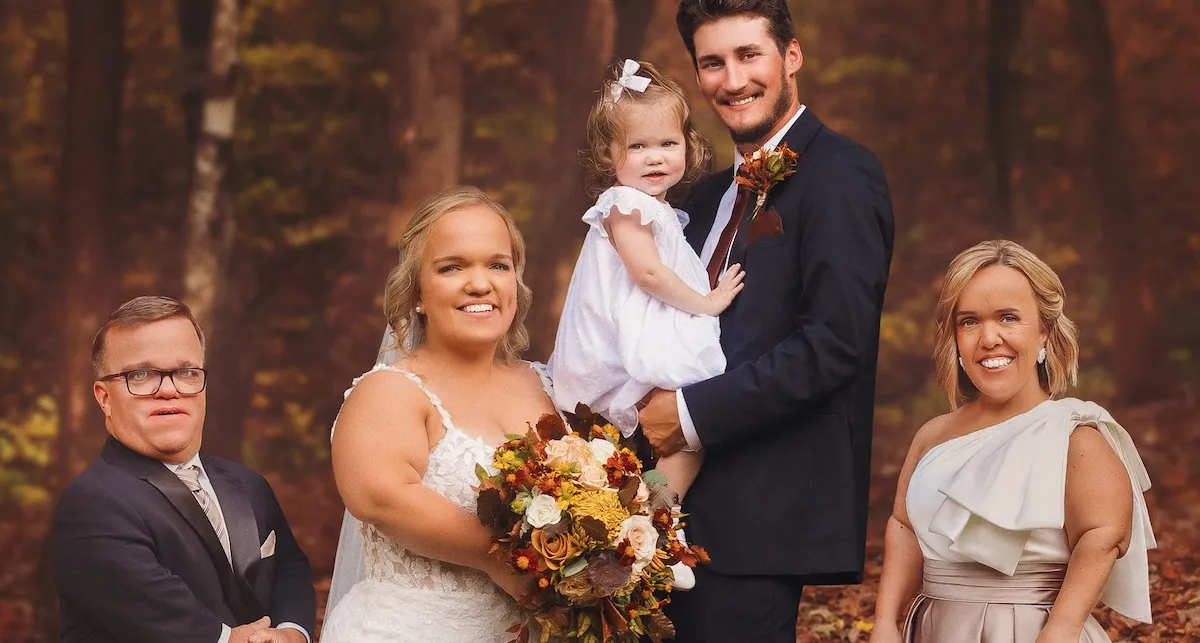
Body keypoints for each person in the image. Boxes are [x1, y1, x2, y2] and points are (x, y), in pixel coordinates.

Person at [636, 1, 895, 640]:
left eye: (749, 55)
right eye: (712, 63)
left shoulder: (841, 174)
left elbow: (835, 344)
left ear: (792, 56)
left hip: (758, 517)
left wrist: (687, 417)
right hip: (658, 515)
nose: (732, 80)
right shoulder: (699, 197)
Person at [870, 240, 1155, 643]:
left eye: (1008, 317)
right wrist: (885, 621)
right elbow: (903, 525)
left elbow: (1105, 536)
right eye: (969, 321)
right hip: (934, 628)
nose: (989, 338)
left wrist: (1061, 629)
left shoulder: (1075, 434)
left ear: (1043, 332)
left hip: (1032, 631)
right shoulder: (932, 435)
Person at [320, 186, 561, 642]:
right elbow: (380, 497)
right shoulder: (389, 392)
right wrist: (499, 558)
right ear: (416, 295)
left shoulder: (548, 385)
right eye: (452, 267)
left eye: (498, 265)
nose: (480, 283)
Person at [51, 296, 315, 643]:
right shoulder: (92, 505)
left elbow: (289, 570)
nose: (169, 390)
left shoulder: (249, 485)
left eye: (186, 372)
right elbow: (164, 621)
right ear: (104, 397)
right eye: (141, 375)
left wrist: (291, 634)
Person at [547, 59, 742, 507]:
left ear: (688, 148)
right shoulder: (623, 204)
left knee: (690, 433)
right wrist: (705, 302)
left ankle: (658, 520)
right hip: (619, 344)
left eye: (668, 143)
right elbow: (648, 273)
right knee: (679, 431)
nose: (655, 157)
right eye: (638, 147)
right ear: (609, 155)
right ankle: (648, 523)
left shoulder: (661, 210)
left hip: (646, 332)